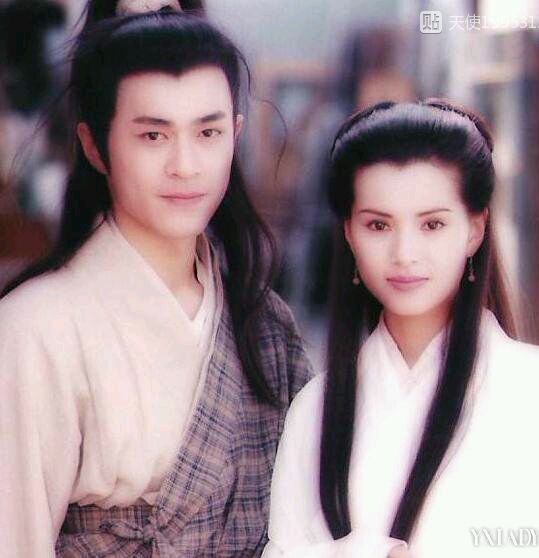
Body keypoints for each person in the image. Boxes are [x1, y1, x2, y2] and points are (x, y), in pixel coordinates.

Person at [0, 11, 312, 557]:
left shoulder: (265, 325)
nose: (185, 165)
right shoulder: (35, 327)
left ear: (235, 136)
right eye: (153, 135)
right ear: (95, 146)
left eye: (208, 132)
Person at [262, 100, 539, 557]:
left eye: (432, 224)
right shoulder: (314, 410)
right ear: (349, 233)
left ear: (475, 229)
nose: (405, 253)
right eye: (378, 225)